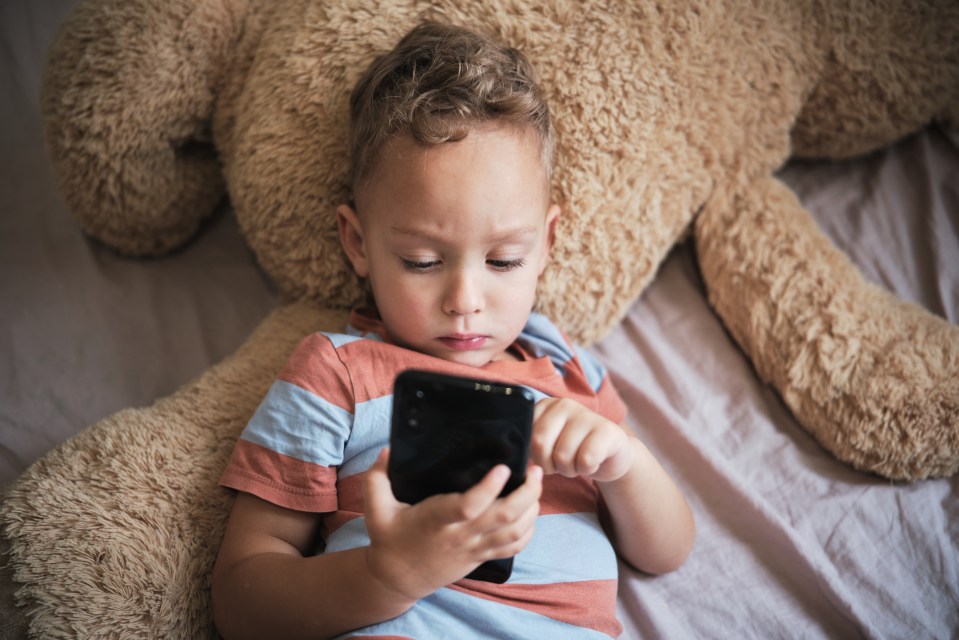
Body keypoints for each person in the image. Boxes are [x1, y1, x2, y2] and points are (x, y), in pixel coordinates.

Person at [212, 22, 694, 640]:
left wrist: (624, 463)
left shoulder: (567, 372)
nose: (465, 302)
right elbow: (239, 601)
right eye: (421, 261)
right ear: (358, 243)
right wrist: (389, 576)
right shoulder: (340, 372)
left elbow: (666, 553)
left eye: (503, 261)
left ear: (546, 243)